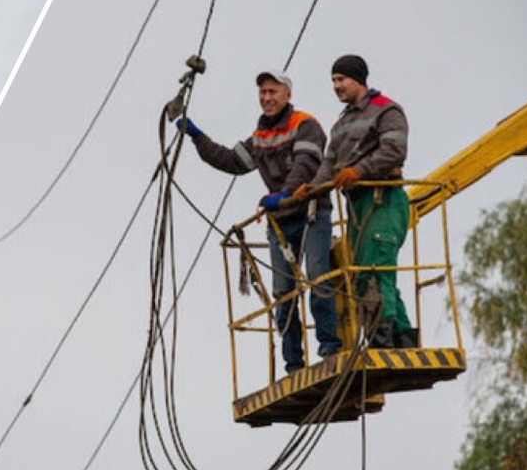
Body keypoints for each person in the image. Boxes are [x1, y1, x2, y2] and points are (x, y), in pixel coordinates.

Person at [176, 71, 341, 374]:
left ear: (288, 95)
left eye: (272, 92)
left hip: (311, 213)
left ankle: (330, 348)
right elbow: (231, 160)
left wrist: (285, 194)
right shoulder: (260, 136)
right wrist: (197, 137)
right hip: (280, 223)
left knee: (318, 278)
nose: (267, 98)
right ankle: (294, 364)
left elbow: (306, 165)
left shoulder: (305, 125)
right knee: (283, 293)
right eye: (263, 92)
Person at [292, 54, 416, 349]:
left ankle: (381, 339)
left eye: (341, 79)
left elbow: (394, 150)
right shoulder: (341, 123)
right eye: (333, 80)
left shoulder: (386, 110)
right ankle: (403, 339)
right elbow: (330, 163)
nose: (336, 86)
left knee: (376, 270)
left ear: (358, 79)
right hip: (357, 204)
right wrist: (311, 189)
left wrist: (358, 171)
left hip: (383, 199)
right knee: (364, 271)